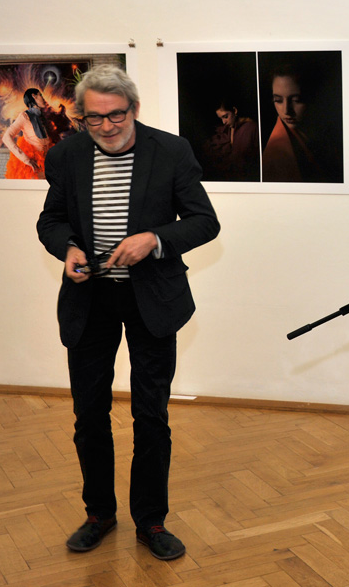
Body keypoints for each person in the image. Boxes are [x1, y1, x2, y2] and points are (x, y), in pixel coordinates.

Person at [36, 65, 220, 562]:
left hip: (152, 301)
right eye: (94, 119)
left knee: (150, 415)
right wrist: (68, 248)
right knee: (88, 413)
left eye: (117, 115)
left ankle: (151, 521)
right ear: (81, 117)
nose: (107, 127)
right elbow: (51, 220)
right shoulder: (67, 156)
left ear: (134, 109)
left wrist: (155, 239)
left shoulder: (170, 151)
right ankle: (99, 513)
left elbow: (205, 222)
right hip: (89, 297)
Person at [262, 65, 342, 182]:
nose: (286, 111)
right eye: (278, 100)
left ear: (312, 97)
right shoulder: (278, 153)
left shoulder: (321, 132)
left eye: (296, 100)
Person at [2, 88, 59, 179]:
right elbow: (6, 137)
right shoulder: (24, 116)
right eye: (40, 95)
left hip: (47, 165)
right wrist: (25, 159)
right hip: (32, 168)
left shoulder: (42, 117)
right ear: (34, 96)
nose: (43, 98)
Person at [202, 96, 259, 181]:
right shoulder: (224, 130)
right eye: (221, 118)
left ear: (235, 111)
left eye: (225, 116)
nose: (224, 121)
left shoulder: (251, 128)